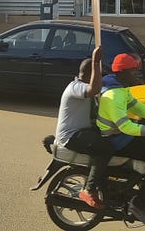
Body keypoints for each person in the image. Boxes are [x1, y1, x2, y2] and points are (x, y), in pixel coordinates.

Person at [97, 53, 145, 227]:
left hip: (122, 136)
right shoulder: (113, 95)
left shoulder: (121, 86)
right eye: (134, 71)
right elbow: (125, 127)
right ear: (123, 72)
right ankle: (139, 203)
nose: (138, 74)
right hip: (115, 140)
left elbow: (137, 107)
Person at [55, 46, 113, 209]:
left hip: (82, 132)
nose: (100, 78)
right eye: (97, 75)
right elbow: (93, 88)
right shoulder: (75, 87)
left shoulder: (83, 88)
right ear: (89, 74)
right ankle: (89, 189)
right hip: (71, 136)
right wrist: (96, 62)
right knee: (105, 148)